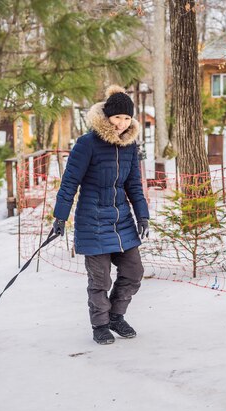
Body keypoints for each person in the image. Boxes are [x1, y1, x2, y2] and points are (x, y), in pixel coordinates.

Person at [51, 85, 150, 345]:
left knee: (133, 271)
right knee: (100, 279)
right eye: (118, 117)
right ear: (107, 116)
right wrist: (60, 217)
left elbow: (134, 185)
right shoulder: (87, 144)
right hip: (92, 221)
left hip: (122, 221)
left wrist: (143, 216)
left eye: (127, 118)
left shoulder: (129, 146)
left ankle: (116, 316)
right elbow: (70, 182)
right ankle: (100, 325)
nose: (122, 123)